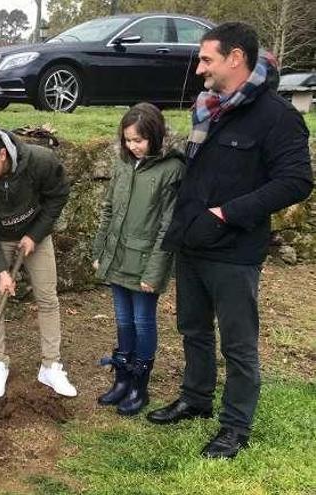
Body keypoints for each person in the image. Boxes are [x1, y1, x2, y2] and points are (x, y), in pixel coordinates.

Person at [146, 22, 312, 458]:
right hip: (193, 242)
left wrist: (227, 213)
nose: (199, 69)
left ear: (235, 58)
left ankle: (235, 426)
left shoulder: (278, 117)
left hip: (235, 250)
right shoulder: (208, 107)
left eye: (207, 59)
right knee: (192, 329)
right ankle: (196, 399)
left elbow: (297, 181)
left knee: (238, 343)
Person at [0, 125, 78, 399]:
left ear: (2, 154)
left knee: (47, 298)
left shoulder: (40, 161)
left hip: (35, 236)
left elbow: (59, 195)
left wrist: (35, 235)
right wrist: (1, 270)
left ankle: (50, 365)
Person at [91, 102, 184, 416]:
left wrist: (155, 271)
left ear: (155, 137)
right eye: (127, 140)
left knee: (143, 323)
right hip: (118, 258)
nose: (132, 146)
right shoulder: (122, 164)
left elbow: (167, 225)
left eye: (138, 141)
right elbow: (108, 211)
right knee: (122, 320)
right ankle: (122, 379)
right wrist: (100, 251)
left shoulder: (171, 169)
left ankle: (139, 387)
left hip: (145, 262)